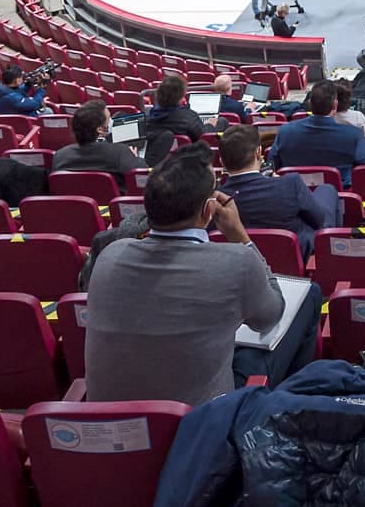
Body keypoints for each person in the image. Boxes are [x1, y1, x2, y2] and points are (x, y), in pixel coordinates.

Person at [83, 149, 287, 405]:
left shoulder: (110, 255)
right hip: (201, 423)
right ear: (209, 209)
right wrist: (240, 236)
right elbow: (270, 318)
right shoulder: (238, 262)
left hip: (109, 420)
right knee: (308, 300)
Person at [218, 125, 336, 258]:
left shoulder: (216, 201)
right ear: (258, 153)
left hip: (239, 261)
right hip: (295, 257)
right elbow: (318, 220)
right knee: (327, 190)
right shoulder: (290, 183)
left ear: (222, 162)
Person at [267, 81, 365, 183]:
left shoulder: (285, 131)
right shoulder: (354, 135)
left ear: (310, 103)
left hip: (293, 188)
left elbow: (272, 163)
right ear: (335, 105)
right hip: (340, 190)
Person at [52, 100, 142, 185]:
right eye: (109, 119)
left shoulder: (59, 156)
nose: (112, 121)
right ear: (100, 129)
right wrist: (135, 158)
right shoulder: (120, 153)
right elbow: (142, 176)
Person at [138, 72, 203, 169]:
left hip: (160, 167)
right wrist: (210, 124)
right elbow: (205, 137)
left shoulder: (148, 118)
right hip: (186, 165)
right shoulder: (188, 117)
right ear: (181, 97)